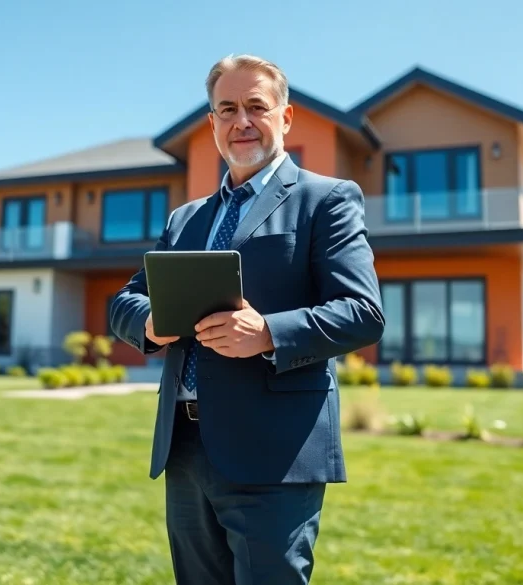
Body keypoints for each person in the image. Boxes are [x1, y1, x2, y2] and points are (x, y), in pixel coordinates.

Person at [108, 54, 385, 584]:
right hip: (185, 452)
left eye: (256, 106)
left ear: (284, 117)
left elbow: (363, 313)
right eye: (227, 108)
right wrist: (149, 324)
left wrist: (268, 334)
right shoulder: (184, 220)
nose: (241, 120)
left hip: (275, 455)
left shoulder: (325, 200)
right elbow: (123, 302)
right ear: (212, 123)